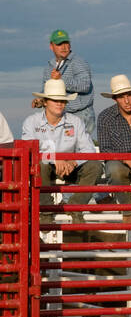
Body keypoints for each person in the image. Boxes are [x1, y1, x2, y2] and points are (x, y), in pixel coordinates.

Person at [23, 80, 103, 224]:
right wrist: (55, 159)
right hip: (45, 167)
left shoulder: (75, 121)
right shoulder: (31, 122)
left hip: (70, 167)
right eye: (55, 100)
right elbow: (29, 150)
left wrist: (73, 161)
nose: (60, 103)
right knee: (41, 165)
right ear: (45, 102)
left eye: (62, 100)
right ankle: (46, 209)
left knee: (95, 166)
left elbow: (88, 149)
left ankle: (75, 205)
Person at [96, 74, 131, 200]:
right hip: (120, 161)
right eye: (121, 96)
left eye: (129, 95)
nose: (127, 101)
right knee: (115, 170)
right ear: (115, 99)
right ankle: (128, 213)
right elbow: (105, 149)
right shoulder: (105, 117)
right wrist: (128, 160)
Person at [40, 29, 97, 141]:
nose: (64, 47)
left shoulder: (78, 62)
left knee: (78, 150)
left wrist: (62, 80)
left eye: (66, 43)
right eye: (59, 44)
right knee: (64, 150)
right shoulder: (49, 67)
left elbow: (85, 85)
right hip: (61, 115)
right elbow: (45, 89)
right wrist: (40, 100)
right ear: (51, 46)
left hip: (80, 114)